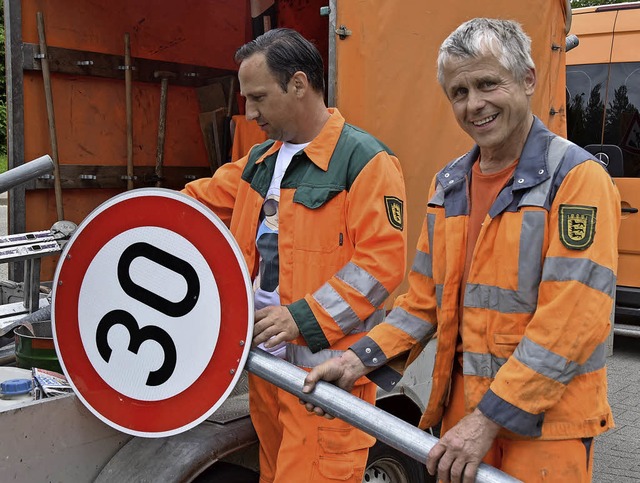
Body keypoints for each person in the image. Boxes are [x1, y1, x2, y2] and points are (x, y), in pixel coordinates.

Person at [302, 18, 620, 483]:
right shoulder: (449, 185)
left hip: (545, 433)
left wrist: (488, 418)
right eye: (459, 92)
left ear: (528, 79)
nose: (474, 104)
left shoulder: (575, 179)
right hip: (461, 425)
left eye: (488, 83)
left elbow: (572, 322)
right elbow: (420, 304)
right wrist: (356, 361)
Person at [182, 28, 407, 482]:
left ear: (299, 84)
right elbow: (190, 203)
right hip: (268, 372)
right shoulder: (260, 160)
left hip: (326, 381)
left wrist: (300, 319)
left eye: (259, 97)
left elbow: (380, 266)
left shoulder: (364, 161)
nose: (251, 112)